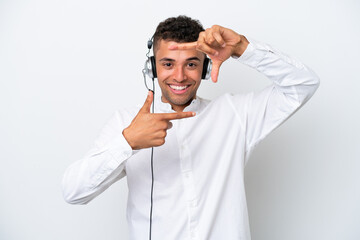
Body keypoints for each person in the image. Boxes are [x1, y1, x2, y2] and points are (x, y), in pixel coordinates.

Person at [62, 15, 319, 240]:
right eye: (168, 63)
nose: (180, 76)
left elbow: (304, 84)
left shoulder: (236, 115)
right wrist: (127, 142)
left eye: (191, 64)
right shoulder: (126, 123)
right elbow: (74, 192)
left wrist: (242, 47)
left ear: (205, 68)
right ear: (152, 67)